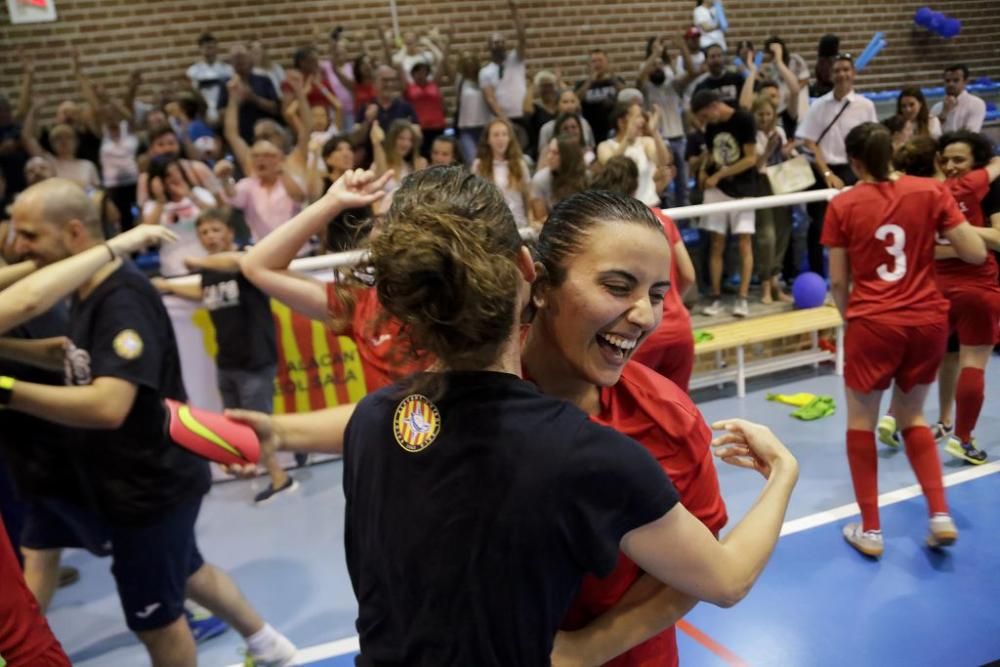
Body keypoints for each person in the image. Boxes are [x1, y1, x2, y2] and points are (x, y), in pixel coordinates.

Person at [228, 166, 799, 663]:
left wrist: (588, 650)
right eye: (617, 286)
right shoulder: (465, 383)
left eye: (657, 292)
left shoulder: (667, 420)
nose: (644, 315)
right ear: (537, 278)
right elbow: (402, 419)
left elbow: (698, 577)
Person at [4, 178, 297, 666]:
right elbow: (74, 361)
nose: (18, 248)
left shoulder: (119, 298)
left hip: (147, 486)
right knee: (188, 571)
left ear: (75, 232)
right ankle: (272, 646)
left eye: (30, 236)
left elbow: (109, 405)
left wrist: (8, 393)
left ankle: (271, 647)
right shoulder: (84, 290)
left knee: (158, 625)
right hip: (132, 480)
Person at [820, 123, 986, 558]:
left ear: (854, 162)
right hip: (926, 321)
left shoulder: (844, 204)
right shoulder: (930, 193)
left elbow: (839, 281)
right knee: (913, 418)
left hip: (874, 322)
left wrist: (851, 318)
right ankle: (940, 515)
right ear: (891, 152)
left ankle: (871, 531)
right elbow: (976, 252)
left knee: (861, 424)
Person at [240, 170, 429, 394]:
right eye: (380, 222)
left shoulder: (468, 308)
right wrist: (333, 201)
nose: (383, 233)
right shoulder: (362, 306)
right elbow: (257, 266)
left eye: (399, 221)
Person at [152, 208, 292, 503]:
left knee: (258, 421)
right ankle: (254, 468)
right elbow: (205, 295)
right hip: (227, 360)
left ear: (230, 232)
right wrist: (165, 285)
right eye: (203, 233)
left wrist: (197, 261)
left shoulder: (247, 258)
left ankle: (280, 478)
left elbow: (238, 262)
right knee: (236, 422)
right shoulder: (209, 271)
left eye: (215, 230)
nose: (210, 237)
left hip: (255, 358)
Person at [591, 156, 697, 392]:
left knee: (625, 415)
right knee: (677, 414)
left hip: (634, 334)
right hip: (679, 329)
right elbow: (688, 275)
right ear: (635, 185)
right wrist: (667, 300)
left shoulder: (607, 229)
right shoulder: (662, 219)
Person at [796, 53, 878, 276]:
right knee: (818, 226)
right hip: (822, 171)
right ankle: (817, 274)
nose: (842, 74)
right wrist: (826, 172)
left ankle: (857, 271)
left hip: (853, 171)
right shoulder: (819, 105)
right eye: (838, 70)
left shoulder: (866, 106)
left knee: (857, 224)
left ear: (854, 73)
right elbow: (809, 142)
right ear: (831, 75)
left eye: (846, 70)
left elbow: (871, 140)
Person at [691, 89, 759, 317]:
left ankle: (742, 297)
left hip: (743, 188)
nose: (705, 121)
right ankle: (716, 296)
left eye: (704, 116)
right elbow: (712, 153)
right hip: (717, 189)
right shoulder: (711, 128)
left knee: (744, 243)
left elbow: (751, 158)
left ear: (714, 106)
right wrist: (702, 170)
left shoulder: (744, 119)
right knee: (716, 243)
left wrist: (720, 175)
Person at [752, 94, 795, 304]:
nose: (764, 118)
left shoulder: (779, 131)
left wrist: (787, 151)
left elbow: (785, 156)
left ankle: (776, 281)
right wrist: (768, 149)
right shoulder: (752, 136)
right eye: (760, 114)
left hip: (781, 183)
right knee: (766, 236)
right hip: (761, 184)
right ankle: (765, 284)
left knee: (782, 231)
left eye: (768, 114)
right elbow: (756, 165)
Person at [143, 154, 216, 276]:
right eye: (168, 175)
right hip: (173, 266)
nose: (175, 177)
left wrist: (190, 195)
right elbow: (148, 235)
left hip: (206, 260)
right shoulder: (152, 206)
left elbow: (217, 217)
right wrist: (160, 200)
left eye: (177, 171)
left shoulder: (198, 193)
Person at [597, 102, 670, 208]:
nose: (643, 120)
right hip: (622, 210)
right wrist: (627, 139)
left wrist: (654, 132)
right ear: (621, 122)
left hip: (649, 206)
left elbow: (663, 161)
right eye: (637, 116)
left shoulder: (645, 142)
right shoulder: (605, 146)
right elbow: (611, 166)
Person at [474, 118, 531, 229]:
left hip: (519, 225)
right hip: (492, 226)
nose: (500, 139)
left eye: (504, 134)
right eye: (496, 135)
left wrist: (530, 221)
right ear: (488, 139)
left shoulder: (520, 164)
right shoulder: (479, 165)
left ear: (509, 138)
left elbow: (527, 196)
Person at [479, 0, 529, 127]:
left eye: (501, 42)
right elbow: (490, 99)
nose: (499, 45)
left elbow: (522, 37)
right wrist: (504, 119)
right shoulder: (485, 72)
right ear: (489, 46)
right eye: (495, 42)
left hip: (524, 114)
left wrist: (514, 12)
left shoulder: (516, 59)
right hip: (502, 119)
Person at [530, 136, 588, 225]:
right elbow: (541, 218)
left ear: (568, 156)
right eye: (549, 151)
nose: (549, 157)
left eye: (555, 153)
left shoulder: (587, 177)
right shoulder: (540, 179)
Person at [576, 50, 626, 144]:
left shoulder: (616, 80)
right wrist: (590, 81)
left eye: (600, 60)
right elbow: (576, 100)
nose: (597, 64)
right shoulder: (582, 84)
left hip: (613, 129)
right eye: (594, 61)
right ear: (589, 65)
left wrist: (612, 78)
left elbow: (625, 95)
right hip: (591, 131)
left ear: (607, 62)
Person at [186, 32, 234, 126]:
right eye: (206, 48)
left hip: (224, 113)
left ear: (216, 48)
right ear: (200, 49)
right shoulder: (192, 72)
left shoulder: (228, 70)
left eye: (211, 47)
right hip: (203, 114)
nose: (209, 51)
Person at [455, 51, 491, 164]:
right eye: (465, 60)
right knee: (472, 160)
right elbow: (443, 60)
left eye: (471, 59)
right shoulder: (459, 80)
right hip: (466, 129)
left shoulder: (484, 78)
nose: (469, 62)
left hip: (485, 127)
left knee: (487, 161)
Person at [930, 64, 987, 133]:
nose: (951, 84)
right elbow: (931, 134)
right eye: (947, 81)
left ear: (965, 82)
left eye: (956, 80)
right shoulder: (936, 107)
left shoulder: (977, 104)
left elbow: (971, 133)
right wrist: (944, 112)